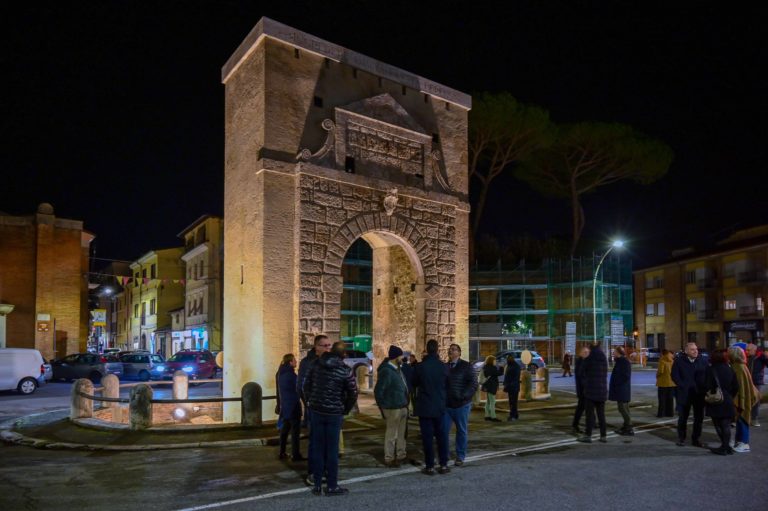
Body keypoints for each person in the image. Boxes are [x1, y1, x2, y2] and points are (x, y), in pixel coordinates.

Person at [303, 341, 358, 496]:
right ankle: (332, 485)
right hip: (334, 413)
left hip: (316, 411)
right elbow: (353, 393)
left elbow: (305, 385)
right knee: (332, 450)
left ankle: (317, 485)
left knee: (318, 448)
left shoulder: (316, 364)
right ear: (344, 354)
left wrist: (310, 402)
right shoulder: (345, 370)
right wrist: (344, 409)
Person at [297, 335, 332, 487]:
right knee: (316, 442)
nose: (328, 348)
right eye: (325, 345)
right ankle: (313, 472)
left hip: (330, 409)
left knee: (328, 443)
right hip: (315, 410)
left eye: (329, 345)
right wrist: (310, 404)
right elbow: (301, 386)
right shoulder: (307, 363)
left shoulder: (331, 361)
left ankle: (326, 470)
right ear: (316, 347)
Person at [412, 339, 450, 475]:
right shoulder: (444, 367)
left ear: (427, 350)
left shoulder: (420, 367)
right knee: (442, 437)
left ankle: (430, 466)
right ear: (437, 349)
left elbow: (414, 383)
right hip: (439, 406)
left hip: (425, 406)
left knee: (427, 438)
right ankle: (443, 464)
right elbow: (448, 385)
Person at [374, 345, 410, 467]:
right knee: (391, 434)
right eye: (401, 356)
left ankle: (401, 455)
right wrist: (383, 407)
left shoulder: (398, 369)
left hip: (402, 406)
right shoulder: (387, 371)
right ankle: (389, 458)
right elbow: (379, 391)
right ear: (396, 357)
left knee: (401, 434)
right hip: (392, 407)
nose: (403, 358)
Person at [443, 343, 478, 466]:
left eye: (454, 349)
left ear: (459, 352)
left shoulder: (466, 366)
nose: (451, 351)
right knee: (443, 431)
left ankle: (460, 456)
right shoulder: (445, 366)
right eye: (450, 349)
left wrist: (464, 396)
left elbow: (473, 384)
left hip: (462, 405)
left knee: (461, 431)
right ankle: (444, 455)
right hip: (447, 405)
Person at [671, 342, 707, 447]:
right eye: (692, 349)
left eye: (696, 349)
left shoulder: (703, 361)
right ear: (686, 351)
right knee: (683, 417)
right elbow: (674, 375)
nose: (695, 351)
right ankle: (681, 438)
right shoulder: (679, 361)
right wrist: (682, 385)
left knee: (699, 418)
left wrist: (704, 387)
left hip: (699, 394)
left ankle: (696, 439)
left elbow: (707, 375)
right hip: (684, 394)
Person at [704, 349, 738, 455]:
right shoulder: (730, 369)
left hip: (716, 400)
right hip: (727, 399)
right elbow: (736, 386)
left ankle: (724, 447)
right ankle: (727, 447)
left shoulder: (711, 369)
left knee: (718, 424)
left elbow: (706, 385)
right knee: (726, 425)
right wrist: (729, 395)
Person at [730, 346, 759, 453]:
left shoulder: (739, 367)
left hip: (743, 398)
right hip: (742, 397)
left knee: (743, 419)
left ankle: (744, 443)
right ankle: (740, 441)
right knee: (740, 420)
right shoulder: (740, 365)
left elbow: (741, 386)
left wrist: (740, 399)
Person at [577, 343, 608, 443]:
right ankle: (603, 436)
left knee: (589, 415)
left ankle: (588, 435)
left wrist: (585, 382)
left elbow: (581, 372)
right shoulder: (603, 357)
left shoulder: (589, 358)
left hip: (590, 391)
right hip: (602, 390)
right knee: (601, 415)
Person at [276, 353, 304, 461]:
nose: (296, 362)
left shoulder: (280, 373)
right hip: (293, 406)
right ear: (290, 362)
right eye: (294, 360)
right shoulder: (291, 375)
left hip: (285, 407)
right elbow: (299, 388)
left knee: (284, 430)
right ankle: (295, 455)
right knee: (295, 432)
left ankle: (282, 452)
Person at [609, 346, 633, 435]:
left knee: (623, 409)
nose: (613, 353)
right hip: (621, 389)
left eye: (614, 351)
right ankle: (626, 425)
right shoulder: (620, 361)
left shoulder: (624, 362)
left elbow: (625, 376)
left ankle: (629, 428)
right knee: (623, 408)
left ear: (618, 352)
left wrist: (617, 383)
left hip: (622, 389)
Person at [746, 343, 767, 426]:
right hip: (747, 381)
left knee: (756, 400)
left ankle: (754, 419)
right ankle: (747, 418)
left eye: (748, 350)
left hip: (756, 381)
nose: (747, 351)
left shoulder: (760, 357)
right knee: (747, 400)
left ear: (754, 350)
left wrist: (764, 357)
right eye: (746, 350)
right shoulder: (746, 357)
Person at [571, 346, 590, 433]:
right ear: (580, 353)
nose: (587, 354)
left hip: (584, 390)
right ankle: (575, 425)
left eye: (588, 352)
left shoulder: (582, 361)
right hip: (583, 390)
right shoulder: (581, 362)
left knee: (586, 408)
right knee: (582, 408)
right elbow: (582, 377)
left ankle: (590, 423)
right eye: (585, 352)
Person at [481, 355, 502, 422]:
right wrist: (501, 368)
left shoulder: (485, 367)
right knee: (492, 402)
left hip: (487, 386)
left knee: (488, 401)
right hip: (491, 386)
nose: (495, 362)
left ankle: (487, 416)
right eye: (494, 361)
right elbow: (499, 373)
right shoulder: (492, 368)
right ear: (491, 361)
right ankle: (493, 417)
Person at [655, 349, 676, 418]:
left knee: (662, 399)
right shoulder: (672, 361)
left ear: (662, 353)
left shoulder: (662, 360)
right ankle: (670, 413)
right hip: (671, 383)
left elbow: (661, 371)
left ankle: (661, 414)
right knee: (670, 399)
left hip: (663, 383)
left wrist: (657, 375)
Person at [503, 354, 521, 421]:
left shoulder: (515, 366)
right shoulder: (510, 365)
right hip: (511, 387)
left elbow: (515, 378)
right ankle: (514, 415)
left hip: (513, 387)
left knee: (513, 402)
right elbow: (507, 376)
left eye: (508, 358)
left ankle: (513, 415)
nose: (507, 360)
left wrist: (509, 385)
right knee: (512, 402)